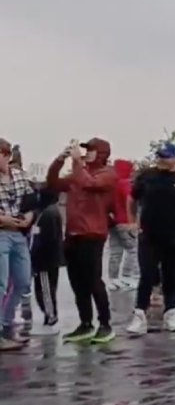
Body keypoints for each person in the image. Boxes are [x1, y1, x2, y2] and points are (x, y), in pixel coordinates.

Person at [44, 137, 120, 344]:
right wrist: (60, 160)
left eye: (92, 150)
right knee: (77, 282)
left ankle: (105, 324)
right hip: (73, 234)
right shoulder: (78, 174)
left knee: (93, 279)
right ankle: (85, 323)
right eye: (85, 150)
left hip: (93, 234)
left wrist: (77, 162)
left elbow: (90, 184)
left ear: (102, 153)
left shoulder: (107, 174)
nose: (87, 153)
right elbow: (53, 183)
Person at [126, 143, 175, 336]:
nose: (162, 160)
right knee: (147, 274)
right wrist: (131, 222)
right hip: (149, 234)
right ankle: (139, 314)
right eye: (160, 156)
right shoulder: (147, 176)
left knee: (171, 275)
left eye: (166, 157)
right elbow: (131, 198)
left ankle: (170, 313)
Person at [0, 137, 36, 350]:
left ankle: (6, 322)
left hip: (19, 234)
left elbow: (32, 202)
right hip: (1, 233)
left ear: (6, 156)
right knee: (1, 283)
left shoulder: (21, 177)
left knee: (22, 281)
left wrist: (29, 216)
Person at [29, 187, 63, 336]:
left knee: (45, 290)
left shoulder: (47, 214)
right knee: (47, 289)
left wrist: (35, 253)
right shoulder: (50, 212)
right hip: (49, 259)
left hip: (45, 260)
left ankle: (51, 318)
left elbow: (48, 238)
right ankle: (49, 317)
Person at [106, 159, 138, 292]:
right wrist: (133, 220)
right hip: (125, 221)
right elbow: (130, 200)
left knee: (115, 250)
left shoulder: (110, 184)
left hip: (112, 221)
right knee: (132, 249)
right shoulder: (125, 183)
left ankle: (113, 279)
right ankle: (127, 276)